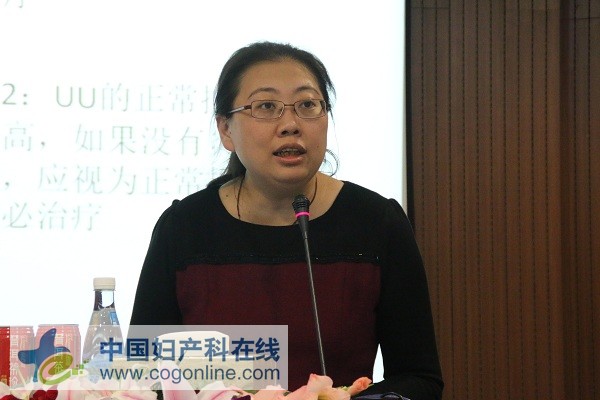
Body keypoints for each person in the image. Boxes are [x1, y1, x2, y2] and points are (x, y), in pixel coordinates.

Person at [130, 41, 443, 399]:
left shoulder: (376, 224)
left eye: (308, 105)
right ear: (226, 130)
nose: (290, 124)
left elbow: (419, 378)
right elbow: (143, 378)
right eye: (266, 106)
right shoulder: (184, 228)